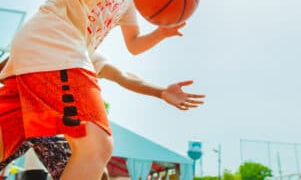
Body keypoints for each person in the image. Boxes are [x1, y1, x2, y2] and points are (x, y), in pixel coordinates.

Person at [0, 0, 203, 180]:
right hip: (52, 43)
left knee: (8, 141)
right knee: (97, 145)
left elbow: (134, 45)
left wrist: (160, 34)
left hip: (45, 58)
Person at [0, 53, 204, 180]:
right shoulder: (42, 41)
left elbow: (124, 77)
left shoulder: (88, 56)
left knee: (99, 172)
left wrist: (160, 91)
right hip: (20, 114)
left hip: (49, 126)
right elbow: (6, 65)